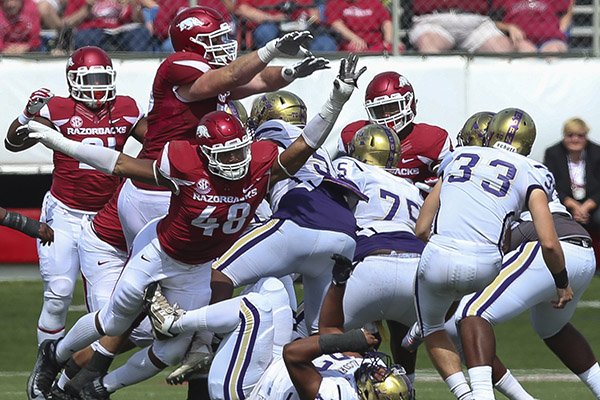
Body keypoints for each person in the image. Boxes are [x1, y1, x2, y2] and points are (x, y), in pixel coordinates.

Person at [25, 52, 363, 400]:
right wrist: (60, 142)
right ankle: (55, 353)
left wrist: (337, 99)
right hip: (158, 253)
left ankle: (98, 388)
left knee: (173, 350)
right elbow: (121, 164)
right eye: (226, 154)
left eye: (239, 151)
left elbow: (307, 143)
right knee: (112, 323)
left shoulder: (261, 165)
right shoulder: (186, 165)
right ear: (204, 154)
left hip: (198, 269)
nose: (235, 160)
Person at [117, 7, 329, 251]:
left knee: (194, 273)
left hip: (185, 181)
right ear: (191, 43)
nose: (225, 44)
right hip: (157, 186)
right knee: (180, 269)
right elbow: (232, 75)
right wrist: (272, 48)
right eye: (216, 40)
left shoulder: (210, 77)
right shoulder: (179, 65)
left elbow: (259, 80)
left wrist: (290, 72)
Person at [414, 108, 572, 400]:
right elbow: (549, 242)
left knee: (432, 325)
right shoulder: (532, 170)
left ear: (491, 132)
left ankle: (467, 394)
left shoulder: (458, 158)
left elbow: (422, 227)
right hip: (486, 263)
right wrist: (562, 283)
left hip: (439, 255)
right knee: (473, 312)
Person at [5, 46, 145, 353]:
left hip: (108, 219)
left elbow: (156, 145)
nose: (96, 87)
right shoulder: (56, 108)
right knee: (59, 293)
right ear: (72, 80)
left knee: (108, 310)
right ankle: (47, 371)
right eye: (89, 79)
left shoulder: (125, 107)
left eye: (101, 79)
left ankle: (79, 375)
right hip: (65, 214)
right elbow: (12, 144)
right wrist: (26, 115)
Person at [210, 84, 367, 336]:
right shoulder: (323, 152)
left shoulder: (272, 132)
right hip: (343, 230)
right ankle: (356, 371)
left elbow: (251, 181)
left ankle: (208, 340)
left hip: (299, 219)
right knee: (321, 330)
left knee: (222, 272)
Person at [148, 253, 414, 400]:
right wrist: (339, 284)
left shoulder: (337, 396)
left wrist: (349, 342)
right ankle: (218, 343)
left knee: (254, 310)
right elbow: (329, 329)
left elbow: (294, 355)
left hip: (248, 391)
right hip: (270, 369)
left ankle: (174, 322)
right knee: (273, 283)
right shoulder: (362, 379)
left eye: (381, 380)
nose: (380, 372)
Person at [448, 196, 600, 400]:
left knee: (470, 311)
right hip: (583, 250)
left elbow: (503, 241)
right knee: (551, 327)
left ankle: (483, 396)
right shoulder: (533, 173)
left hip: (550, 246)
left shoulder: (499, 179)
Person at [331, 123, 425, 384]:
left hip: (371, 259)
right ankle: (407, 388)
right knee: (404, 333)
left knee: (317, 331)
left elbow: (333, 207)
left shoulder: (350, 167)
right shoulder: (410, 187)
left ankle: (342, 387)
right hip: (416, 270)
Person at [340, 71, 452, 188]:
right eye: (379, 110)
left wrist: (440, 187)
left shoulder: (431, 139)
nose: (387, 116)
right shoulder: (356, 134)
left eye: (392, 107)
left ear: (409, 102)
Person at [544, 117, 600, 264]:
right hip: (565, 202)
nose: (575, 139)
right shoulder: (553, 153)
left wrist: (586, 206)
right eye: (570, 135)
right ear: (564, 136)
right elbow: (550, 184)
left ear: (586, 137)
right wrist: (573, 206)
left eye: (580, 136)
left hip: (593, 203)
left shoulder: (597, 153)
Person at [408, 0, 513, 53]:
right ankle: (439, 89)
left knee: (502, 47)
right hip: (434, 20)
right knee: (428, 42)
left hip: (475, 21)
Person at [235, 0, 337, 51]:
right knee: (266, 32)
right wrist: (272, 18)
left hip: (300, 30)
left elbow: (315, 16)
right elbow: (242, 9)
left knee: (326, 44)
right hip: (271, 26)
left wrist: (308, 22)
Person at [62, 0, 153, 52]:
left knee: (141, 33)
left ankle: (135, 68)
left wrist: (132, 4)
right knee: (84, 37)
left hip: (122, 30)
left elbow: (140, 21)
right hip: (94, 30)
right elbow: (68, 23)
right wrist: (86, 9)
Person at [491, 0, 573, 53]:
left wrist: (562, 28)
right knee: (526, 52)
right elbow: (493, 22)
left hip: (550, 38)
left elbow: (567, 8)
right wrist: (509, 27)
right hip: (521, 40)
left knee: (553, 51)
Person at [325, 0, 400, 53]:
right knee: (354, 50)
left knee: (398, 48)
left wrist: (388, 41)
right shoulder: (335, 2)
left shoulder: (373, 2)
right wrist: (355, 39)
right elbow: (336, 24)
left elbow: (386, 21)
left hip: (376, 42)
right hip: (351, 43)